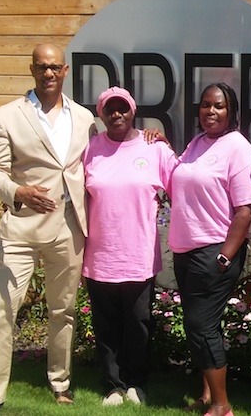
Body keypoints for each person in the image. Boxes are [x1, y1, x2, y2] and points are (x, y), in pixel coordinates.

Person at [0, 44, 96, 416]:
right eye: (42, 67)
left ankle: (60, 383)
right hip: (20, 230)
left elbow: (104, 154)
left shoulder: (85, 118)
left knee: (64, 311)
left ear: (65, 70)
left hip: (68, 229)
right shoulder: (7, 116)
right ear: (32, 69)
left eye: (55, 67)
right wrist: (17, 192)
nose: (48, 74)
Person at [168, 83, 251, 416]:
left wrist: (225, 254)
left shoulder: (237, 147)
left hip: (215, 252)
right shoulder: (196, 144)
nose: (210, 111)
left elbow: (246, 208)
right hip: (186, 251)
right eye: (205, 105)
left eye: (218, 106)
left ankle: (222, 406)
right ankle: (208, 393)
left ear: (231, 111)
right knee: (201, 326)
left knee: (201, 326)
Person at [81, 86, 177, 407]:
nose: (117, 114)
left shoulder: (154, 149)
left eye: (122, 108)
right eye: (110, 109)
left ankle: (136, 383)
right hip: (99, 258)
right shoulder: (91, 148)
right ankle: (112, 385)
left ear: (132, 110)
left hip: (138, 257)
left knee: (138, 325)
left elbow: (183, 186)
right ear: (102, 114)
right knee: (106, 327)